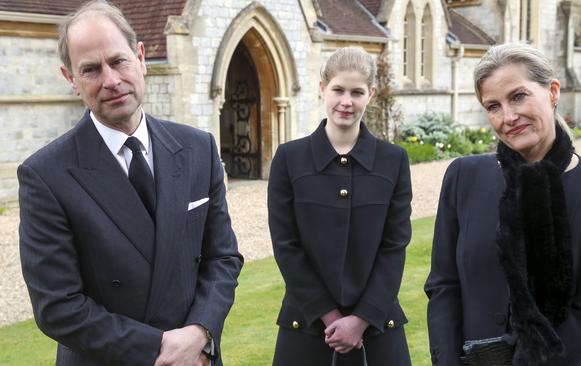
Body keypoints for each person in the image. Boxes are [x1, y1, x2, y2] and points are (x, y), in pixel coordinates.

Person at [18, 2, 243, 365]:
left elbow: (223, 257)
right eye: (90, 69)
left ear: (140, 57)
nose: (110, 80)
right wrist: (162, 349)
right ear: (71, 79)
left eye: (118, 61)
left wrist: (200, 332)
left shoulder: (198, 148)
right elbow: (58, 306)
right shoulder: (45, 175)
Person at [424, 43, 581, 366]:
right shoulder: (463, 176)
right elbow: (443, 285)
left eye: (518, 96)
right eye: (493, 106)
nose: (508, 116)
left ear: (552, 92)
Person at [268, 47, 413, 366]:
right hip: (306, 327)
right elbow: (286, 246)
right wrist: (332, 317)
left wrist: (360, 319)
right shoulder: (289, 159)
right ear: (322, 88)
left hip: (377, 327)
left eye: (357, 92)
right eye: (338, 90)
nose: (346, 101)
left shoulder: (394, 161)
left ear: (371, 94)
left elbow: (394, 246)